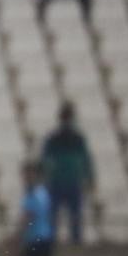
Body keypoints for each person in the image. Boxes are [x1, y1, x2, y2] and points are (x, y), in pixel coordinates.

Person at [39, 101, 93, 245]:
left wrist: (89, 178)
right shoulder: (54, 138)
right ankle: (52, 241)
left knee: (74, 214)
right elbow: (44, 159)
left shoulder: (77, 138)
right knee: (55, 214)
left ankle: (75, 241)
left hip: (71, 181)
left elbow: (86, 159)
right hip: (58, 181)